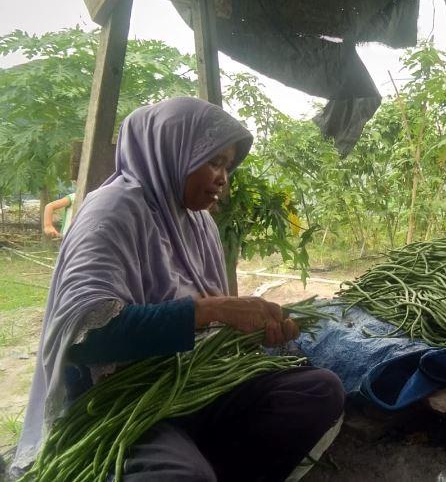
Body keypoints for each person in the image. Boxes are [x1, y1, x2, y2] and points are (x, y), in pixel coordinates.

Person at [11, 97, 345, 481]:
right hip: (123, 400)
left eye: (227, 165)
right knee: (179, 476)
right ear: (171, 152)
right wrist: (209, 310)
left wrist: (251, 334)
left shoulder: (197, 221)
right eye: (213, 162)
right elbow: (85, 334)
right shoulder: (112, 212)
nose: (223, 177)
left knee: (320, 390)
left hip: (190, 382)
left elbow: (214, 327)